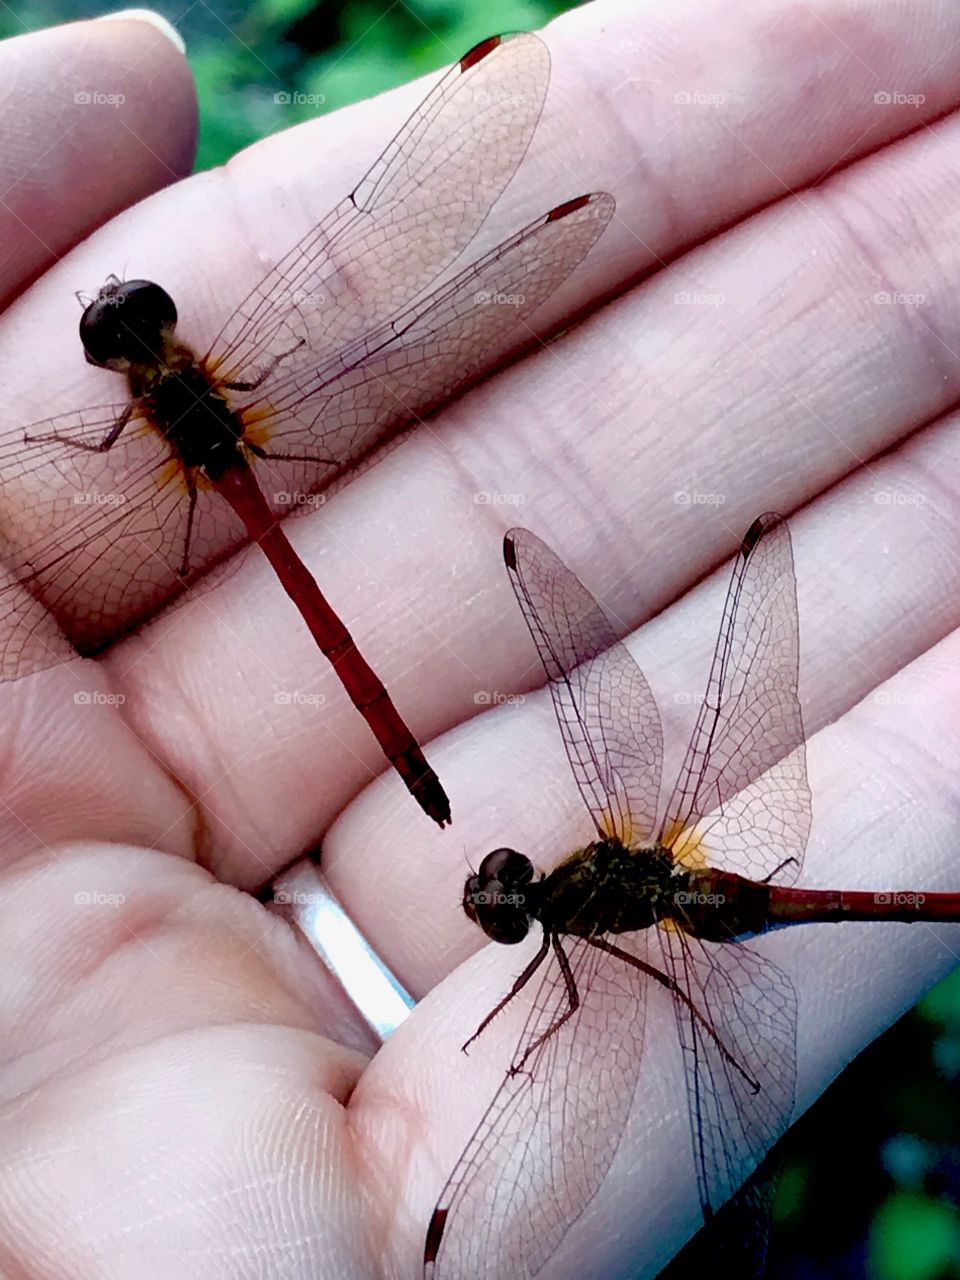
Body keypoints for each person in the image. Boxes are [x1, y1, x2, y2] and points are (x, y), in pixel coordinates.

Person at [2, 3, 960, 1276]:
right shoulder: (228, 373)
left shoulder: (144, 419)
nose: (506, 886)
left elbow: (561, 1005)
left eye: (499, 886)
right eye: (512, 890)